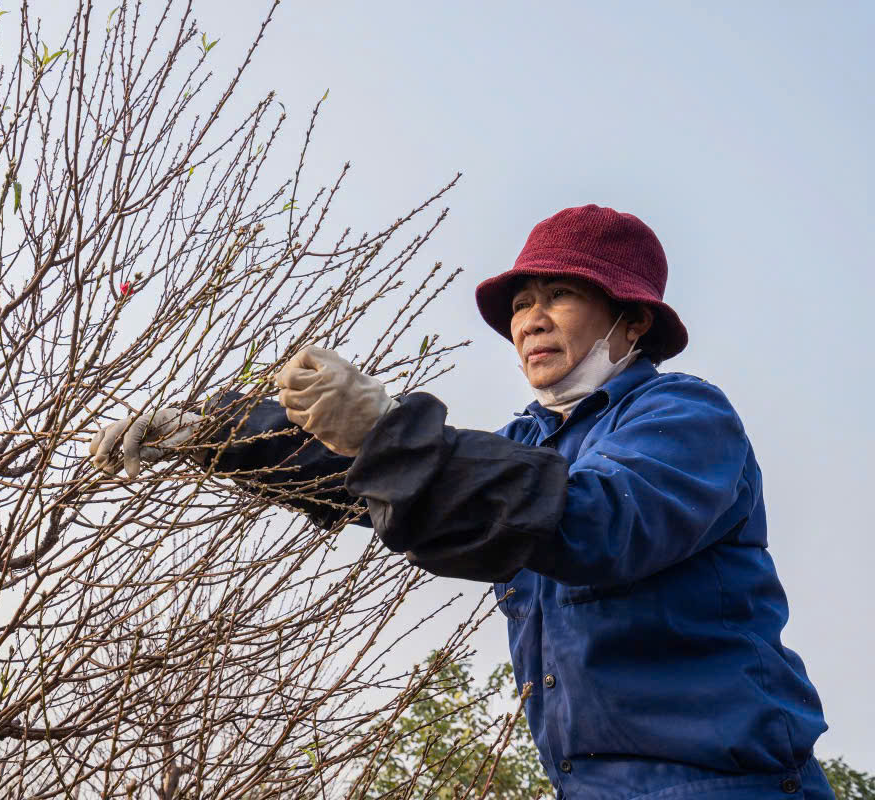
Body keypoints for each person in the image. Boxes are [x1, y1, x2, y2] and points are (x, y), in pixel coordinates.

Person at [89, 204, 833, 799]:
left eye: (562, 295)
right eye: (522, 302)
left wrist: (389, 430)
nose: (531, 318)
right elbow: (374, 476)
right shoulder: (529, 442)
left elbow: (601, 521)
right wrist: (218, 436)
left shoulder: (683, 418)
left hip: (729, 784)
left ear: (632, 320)